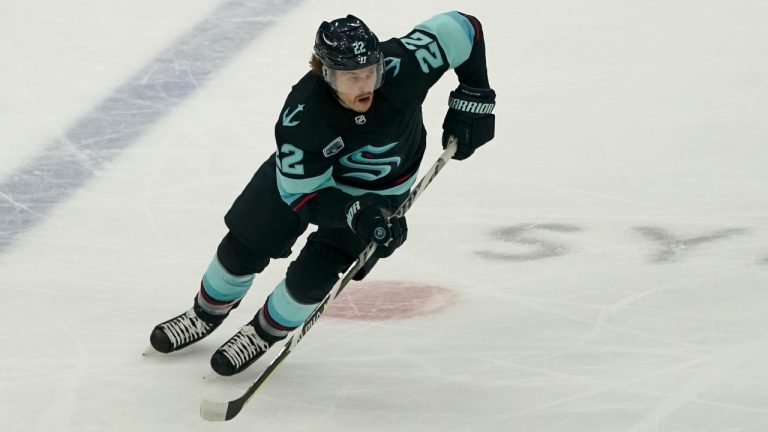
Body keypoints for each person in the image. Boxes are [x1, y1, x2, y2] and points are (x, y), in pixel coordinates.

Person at [149, 11, 496, 376]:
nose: (364, 84)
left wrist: (475, 94)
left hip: (381, 193)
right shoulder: (302, 116)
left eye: (370, 72)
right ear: (326, 74)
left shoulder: (405, 64)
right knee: (245, 245)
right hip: (305, 186)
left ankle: (262, 332)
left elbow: (464, 28)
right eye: (351, 77)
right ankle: (206, 312)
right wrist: (356, 213)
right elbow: (303, 198)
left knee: (313, 280)